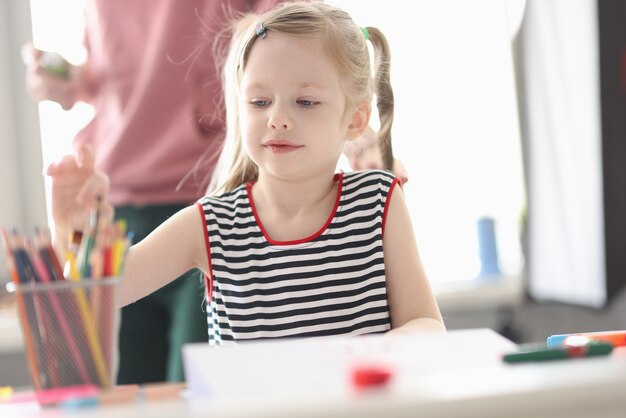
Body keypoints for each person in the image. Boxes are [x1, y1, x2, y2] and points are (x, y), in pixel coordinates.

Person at [47, 1, 445, 344]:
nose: (278, 119)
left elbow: (426, 323)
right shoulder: (210, 223)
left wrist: (387, 350)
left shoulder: (378, 200)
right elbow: (94, 297)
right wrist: (74, 230)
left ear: (356, 119)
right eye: (259, 101)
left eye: (305, 101)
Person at [23, 0, 289, 383]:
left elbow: (294, 39)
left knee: (200, 392)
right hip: (117, 207)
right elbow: (107, 71)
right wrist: (66, 80)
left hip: (214, 203)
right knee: (119, 395)